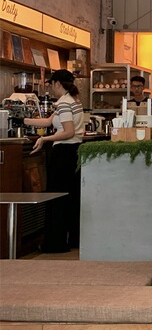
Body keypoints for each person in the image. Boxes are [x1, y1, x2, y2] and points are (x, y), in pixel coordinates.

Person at [24, 69, 84, 252]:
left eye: (51, 85)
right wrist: (25, 120)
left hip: (64, 153)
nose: (50, 89)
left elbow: (68, 132)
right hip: (74, 152)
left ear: (57, 83)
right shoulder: (73, 100)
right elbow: (49, 122)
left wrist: (45, 139)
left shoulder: (64, 103)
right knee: (70, 198)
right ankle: (72, 240)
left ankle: (55, 243)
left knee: (56, 197)